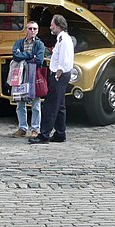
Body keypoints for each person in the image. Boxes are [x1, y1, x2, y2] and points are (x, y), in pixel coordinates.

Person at [29, 14, 74, 144]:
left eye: (52, 24)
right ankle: (60, 133)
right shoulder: (62, 38)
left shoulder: (63, 40)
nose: (50, 27)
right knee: (60, 105)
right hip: (61, 74)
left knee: (50, 105)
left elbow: (64, 59)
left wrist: (57, 73)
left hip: (59, 75)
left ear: (59, 26)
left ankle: (44, 135)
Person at [11, 21, 46, 138]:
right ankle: (22, 128)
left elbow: (39, 60)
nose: (32, 31)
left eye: (35, 29)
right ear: (26, 30)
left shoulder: (40, 44)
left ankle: (35, 129)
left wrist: (23, 56)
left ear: (38, 30)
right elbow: (15, 55)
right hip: (20, 75)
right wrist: (30, 55)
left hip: (33, 74)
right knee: (20, 102)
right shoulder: (19, 42)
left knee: (35, 103)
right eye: (30, 28)